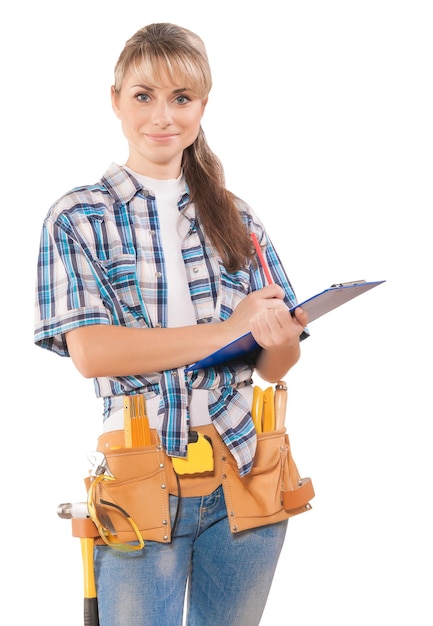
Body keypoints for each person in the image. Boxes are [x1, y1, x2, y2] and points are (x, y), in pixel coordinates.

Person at [34, 22, 309, 626]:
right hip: (139, 484)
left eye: (181, 98)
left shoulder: (237, 218)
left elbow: (273, 364)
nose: (163, 115)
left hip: (245, 473)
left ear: (202, 106)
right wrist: (227, 328)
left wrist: (280, 340)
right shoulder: (78, 217)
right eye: (143, 96)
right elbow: (93, 353)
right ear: (115, 100)